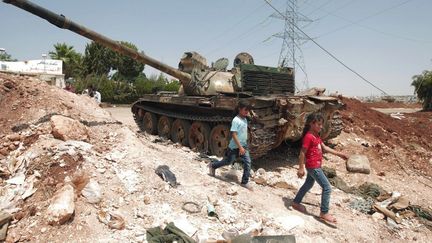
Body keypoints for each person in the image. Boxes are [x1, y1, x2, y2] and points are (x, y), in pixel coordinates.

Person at [292, 113, 348, 224]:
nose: (321, 127)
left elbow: (324, 148)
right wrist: (301, 168)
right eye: (319, 124)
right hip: (313, 166)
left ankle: (296, 202)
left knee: (308, 184)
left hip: (315, 165)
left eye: (321, 125)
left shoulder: (316, 136)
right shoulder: (308, 137)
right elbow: (302, 153)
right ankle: (324, 212)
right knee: (327, 187)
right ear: (311, 124)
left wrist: (339, 154)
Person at [208, 100, 253, 191]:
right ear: (240, 109)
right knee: (228, 161)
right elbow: (234, 134)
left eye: (248, 110)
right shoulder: (236, 120)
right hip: (234, 147)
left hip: (243, 145)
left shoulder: (244, 119)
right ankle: (213, 166)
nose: (247, 112)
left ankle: (244, 182)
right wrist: (239, 147)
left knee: (248, 162)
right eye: (245, 110)